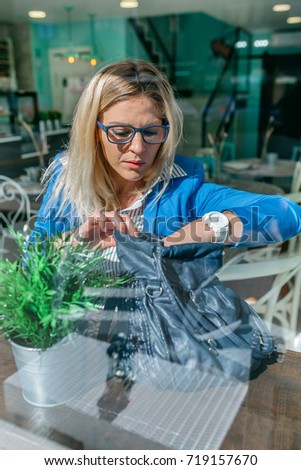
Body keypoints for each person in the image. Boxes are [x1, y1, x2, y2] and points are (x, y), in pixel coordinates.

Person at [33, 58, 301, 277]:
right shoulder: (67, 180)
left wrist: (185, 237)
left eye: (151, 131)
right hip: (77, 336)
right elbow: (30, 263)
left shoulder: (184, 188)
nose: (138, 147)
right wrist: (71, 244)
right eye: (121, 131)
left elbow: (287, 213)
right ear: (94, 131)